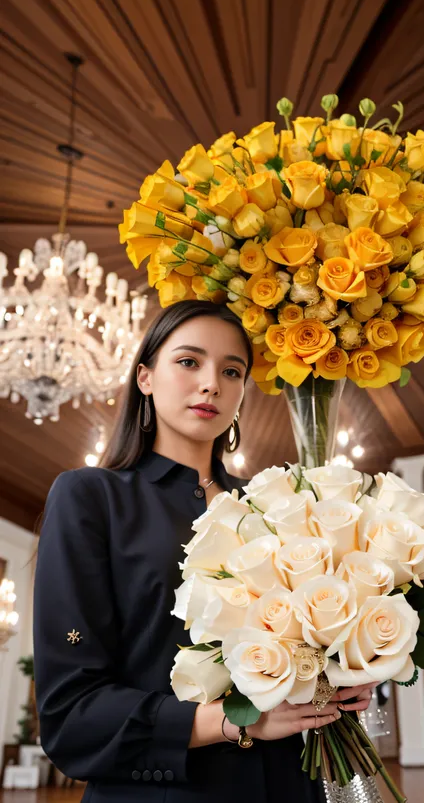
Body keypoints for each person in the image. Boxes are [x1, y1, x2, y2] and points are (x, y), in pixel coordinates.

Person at [34, 300, 373, 803]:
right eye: (189, 362)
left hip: (287, 785)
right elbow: (72, 716)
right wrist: (237, 721)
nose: (212, 383)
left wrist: (342, 673)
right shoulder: (91, 497)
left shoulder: (277, 504)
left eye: (231, 371)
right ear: (145, 377)